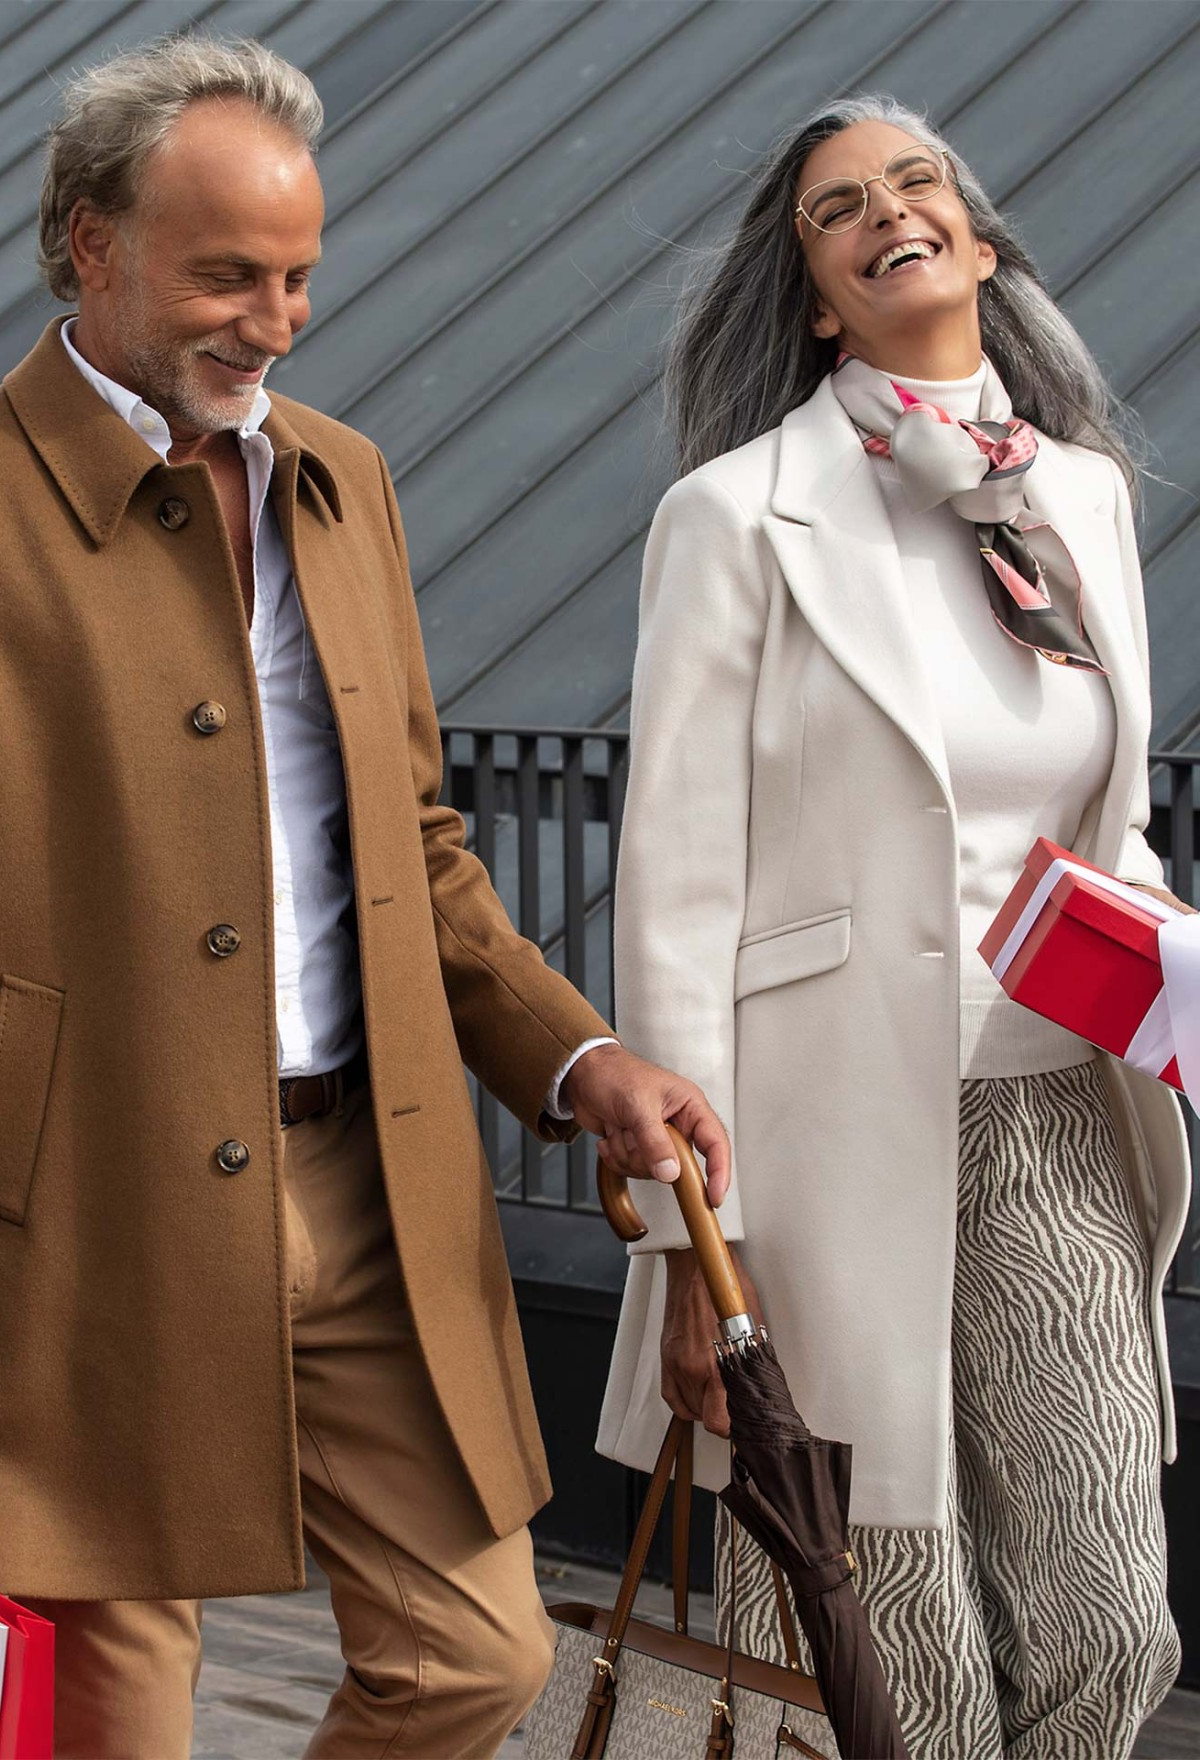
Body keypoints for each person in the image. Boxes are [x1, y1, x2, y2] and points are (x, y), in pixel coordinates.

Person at [0, 35, 730, 1760]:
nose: (272, 321)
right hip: (71, 1217)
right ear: (87, 241)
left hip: (364, 1190)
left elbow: (417, 844)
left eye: (297, 277)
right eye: (225, 277)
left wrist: (580, 1065)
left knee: (478, 1657)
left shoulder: (343, 481)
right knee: (118, 1716)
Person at [596, 94, 1189, 1758]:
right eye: (834, 208)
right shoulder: (736, 519)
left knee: (1108, 1617)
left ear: (979, 244)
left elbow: (1106, 822)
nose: (884, 211)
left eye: (916, 182)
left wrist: (1169, 954)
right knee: (879, 1653)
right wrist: (686, 1251)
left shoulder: (1078, 498)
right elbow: (682, 889)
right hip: (817, 1142)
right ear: (814, 296)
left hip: (1056, 1103)